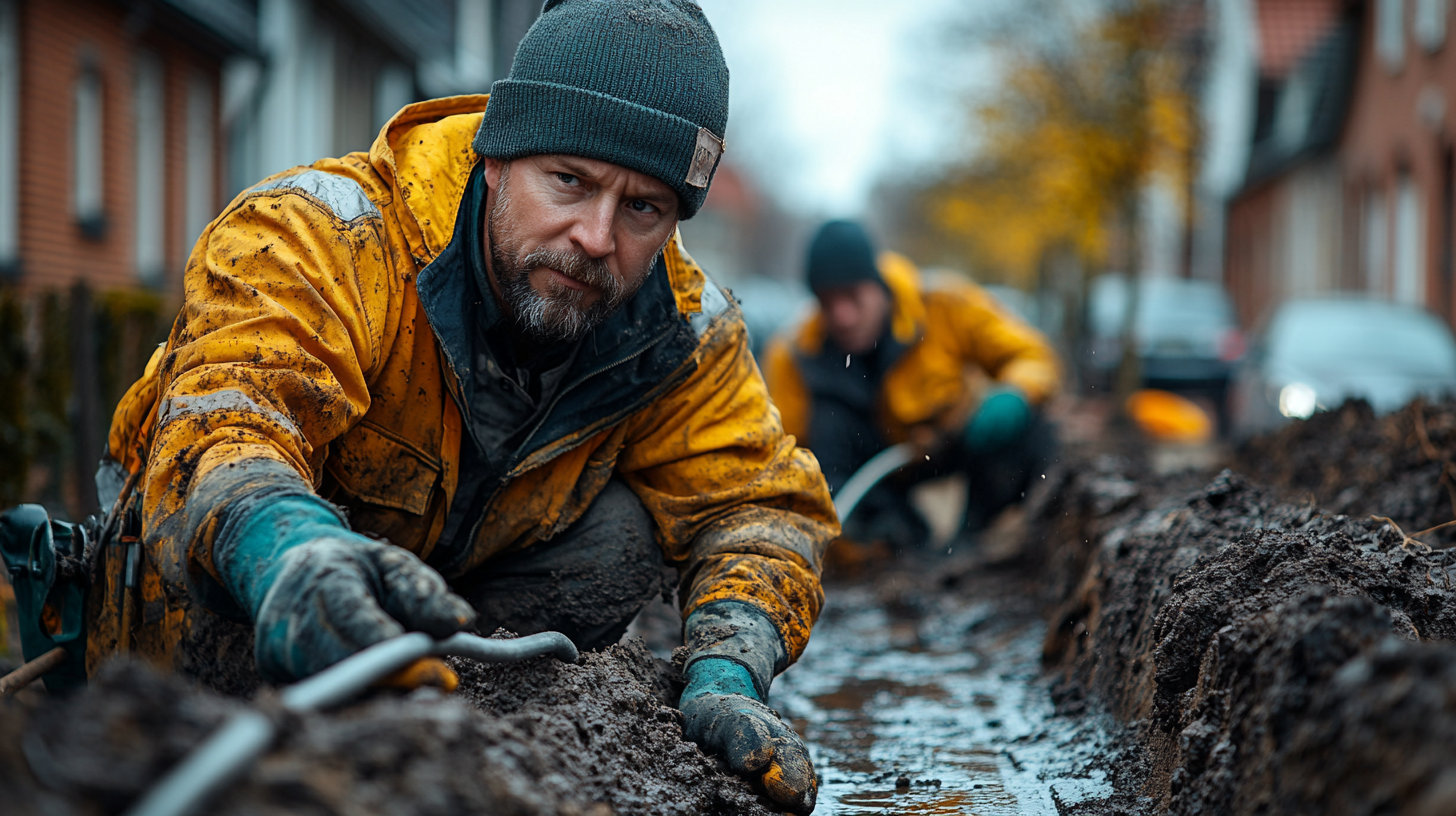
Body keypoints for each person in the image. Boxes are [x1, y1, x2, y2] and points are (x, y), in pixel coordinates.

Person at [90, 2, 833, 811]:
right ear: (496, 157)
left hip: (454, 681)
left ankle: (466, 729)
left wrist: (729, 669)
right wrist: (288, 550)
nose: (595, 236)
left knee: (627, 532)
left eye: (642, 208)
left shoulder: (683, 332)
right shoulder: (323, 236)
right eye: (570, 181)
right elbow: (229, 421)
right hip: (197, 668)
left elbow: (757, 505)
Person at [763, 220, 1060, 549]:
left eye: (852, 297)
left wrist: (1017, 392)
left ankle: (979, 543)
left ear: (878, 285)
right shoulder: (793, 354)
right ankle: (894, 545)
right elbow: (782, 457)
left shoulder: (943, 305)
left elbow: (1032, 354)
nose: (842, 316)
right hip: (867, 478)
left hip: (958, 442)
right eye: (827, 302)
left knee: (1030, 432)